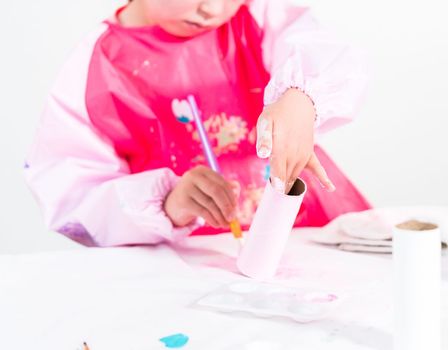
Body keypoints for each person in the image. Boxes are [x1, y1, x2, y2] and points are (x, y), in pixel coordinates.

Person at [25, 0, 371, 247]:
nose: (214, 9)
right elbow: (73, 194)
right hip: (190, 259)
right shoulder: (98, 67)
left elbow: (323, 51)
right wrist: (169, 203)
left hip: (306, 231)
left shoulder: (256, 16)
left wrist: (301, 95)